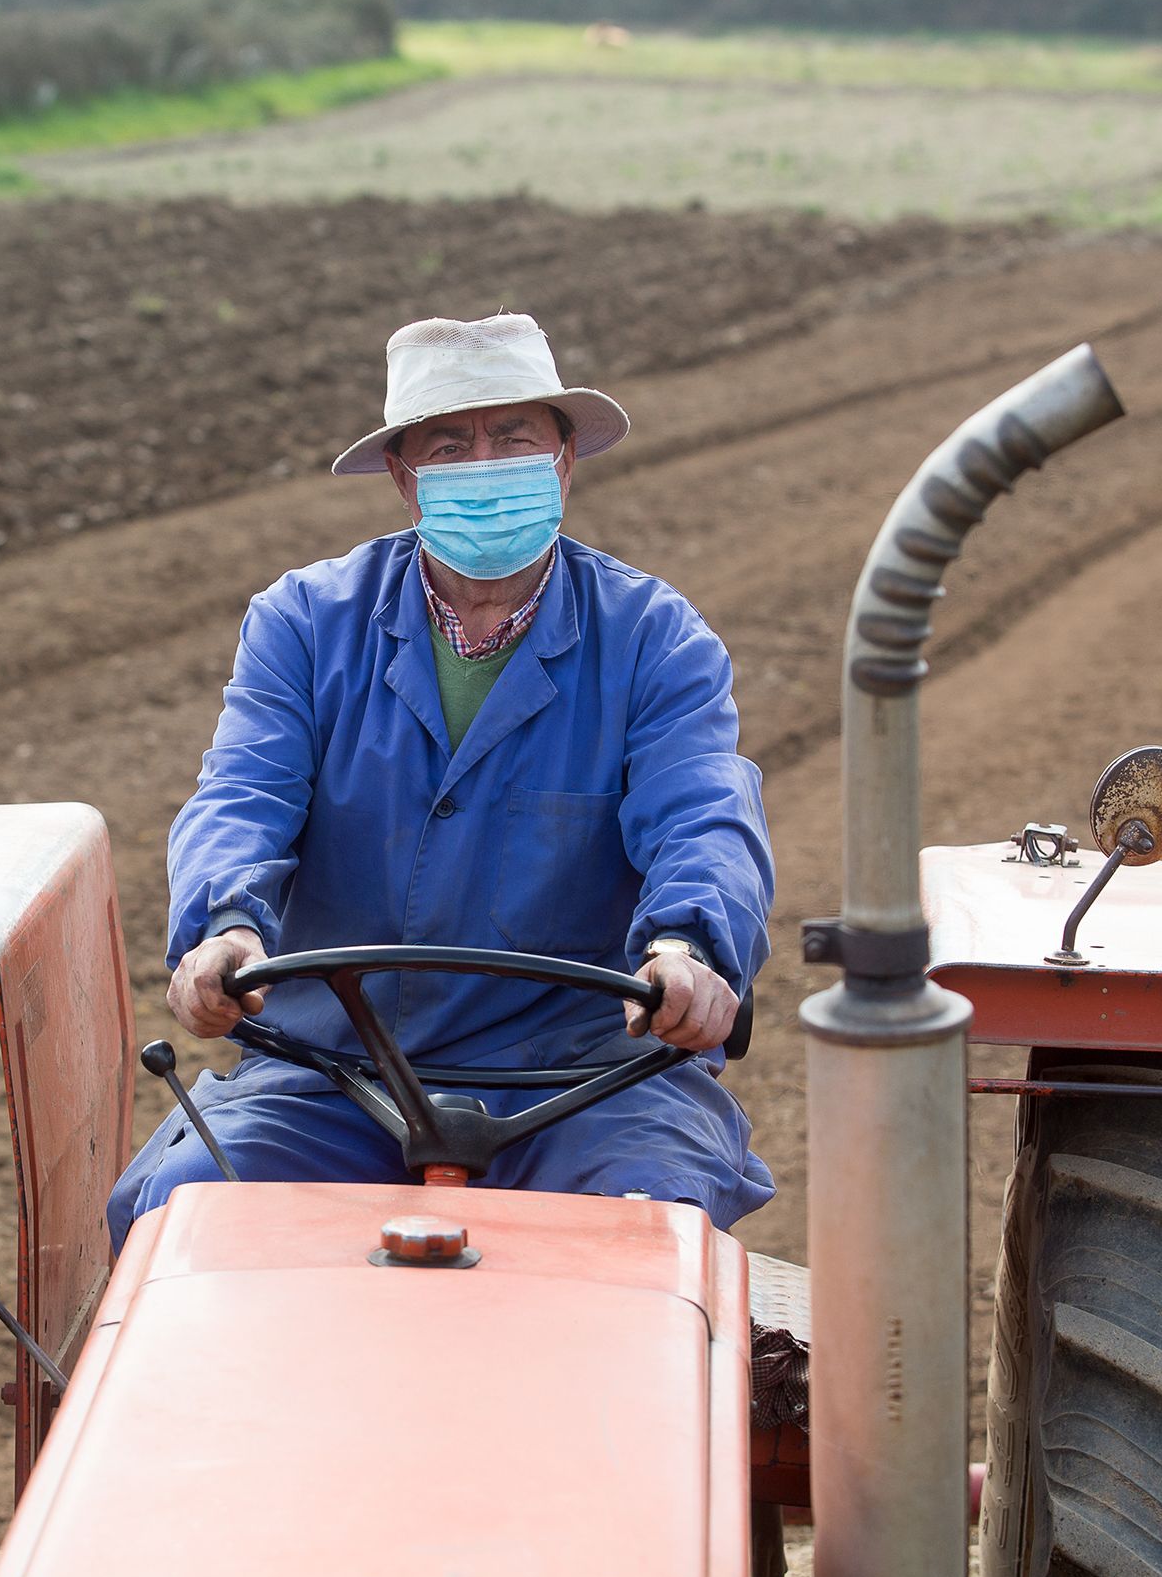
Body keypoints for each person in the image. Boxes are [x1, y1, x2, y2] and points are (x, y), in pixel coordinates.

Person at [105, 312, 776, 1251]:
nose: (485, 464)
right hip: (333, 1070)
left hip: (579, 1074)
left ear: (565, 460)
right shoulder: (303, 622)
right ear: (403, 475)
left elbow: (702, 808)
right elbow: (241, 792)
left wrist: (688, 947)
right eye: (450, 445)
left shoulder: (653, 638)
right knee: (189, 1212)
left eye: (513, 439)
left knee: (650, 1223)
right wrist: (225, 927)